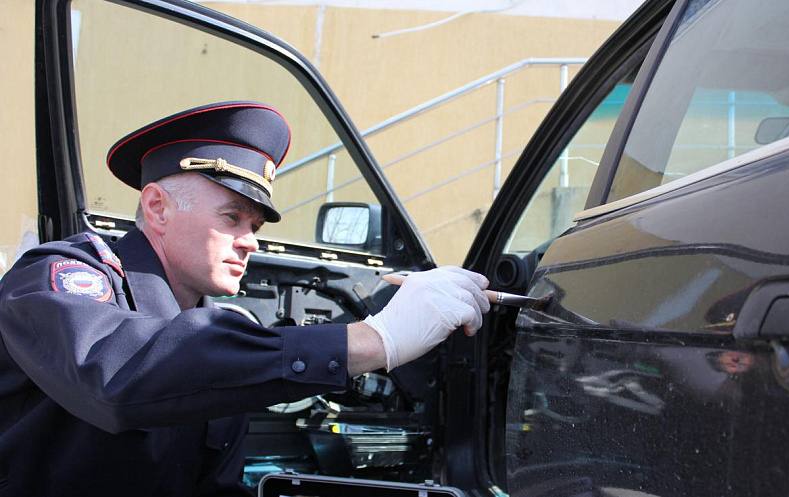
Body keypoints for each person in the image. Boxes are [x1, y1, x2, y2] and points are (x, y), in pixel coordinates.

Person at [0, 101, 490, 496]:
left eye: (254, 225)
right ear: (157, 207)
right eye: (232, 217)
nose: (250, 241)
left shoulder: (221, 350)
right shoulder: (59, 278)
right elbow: (116, 376)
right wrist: (373, 340)